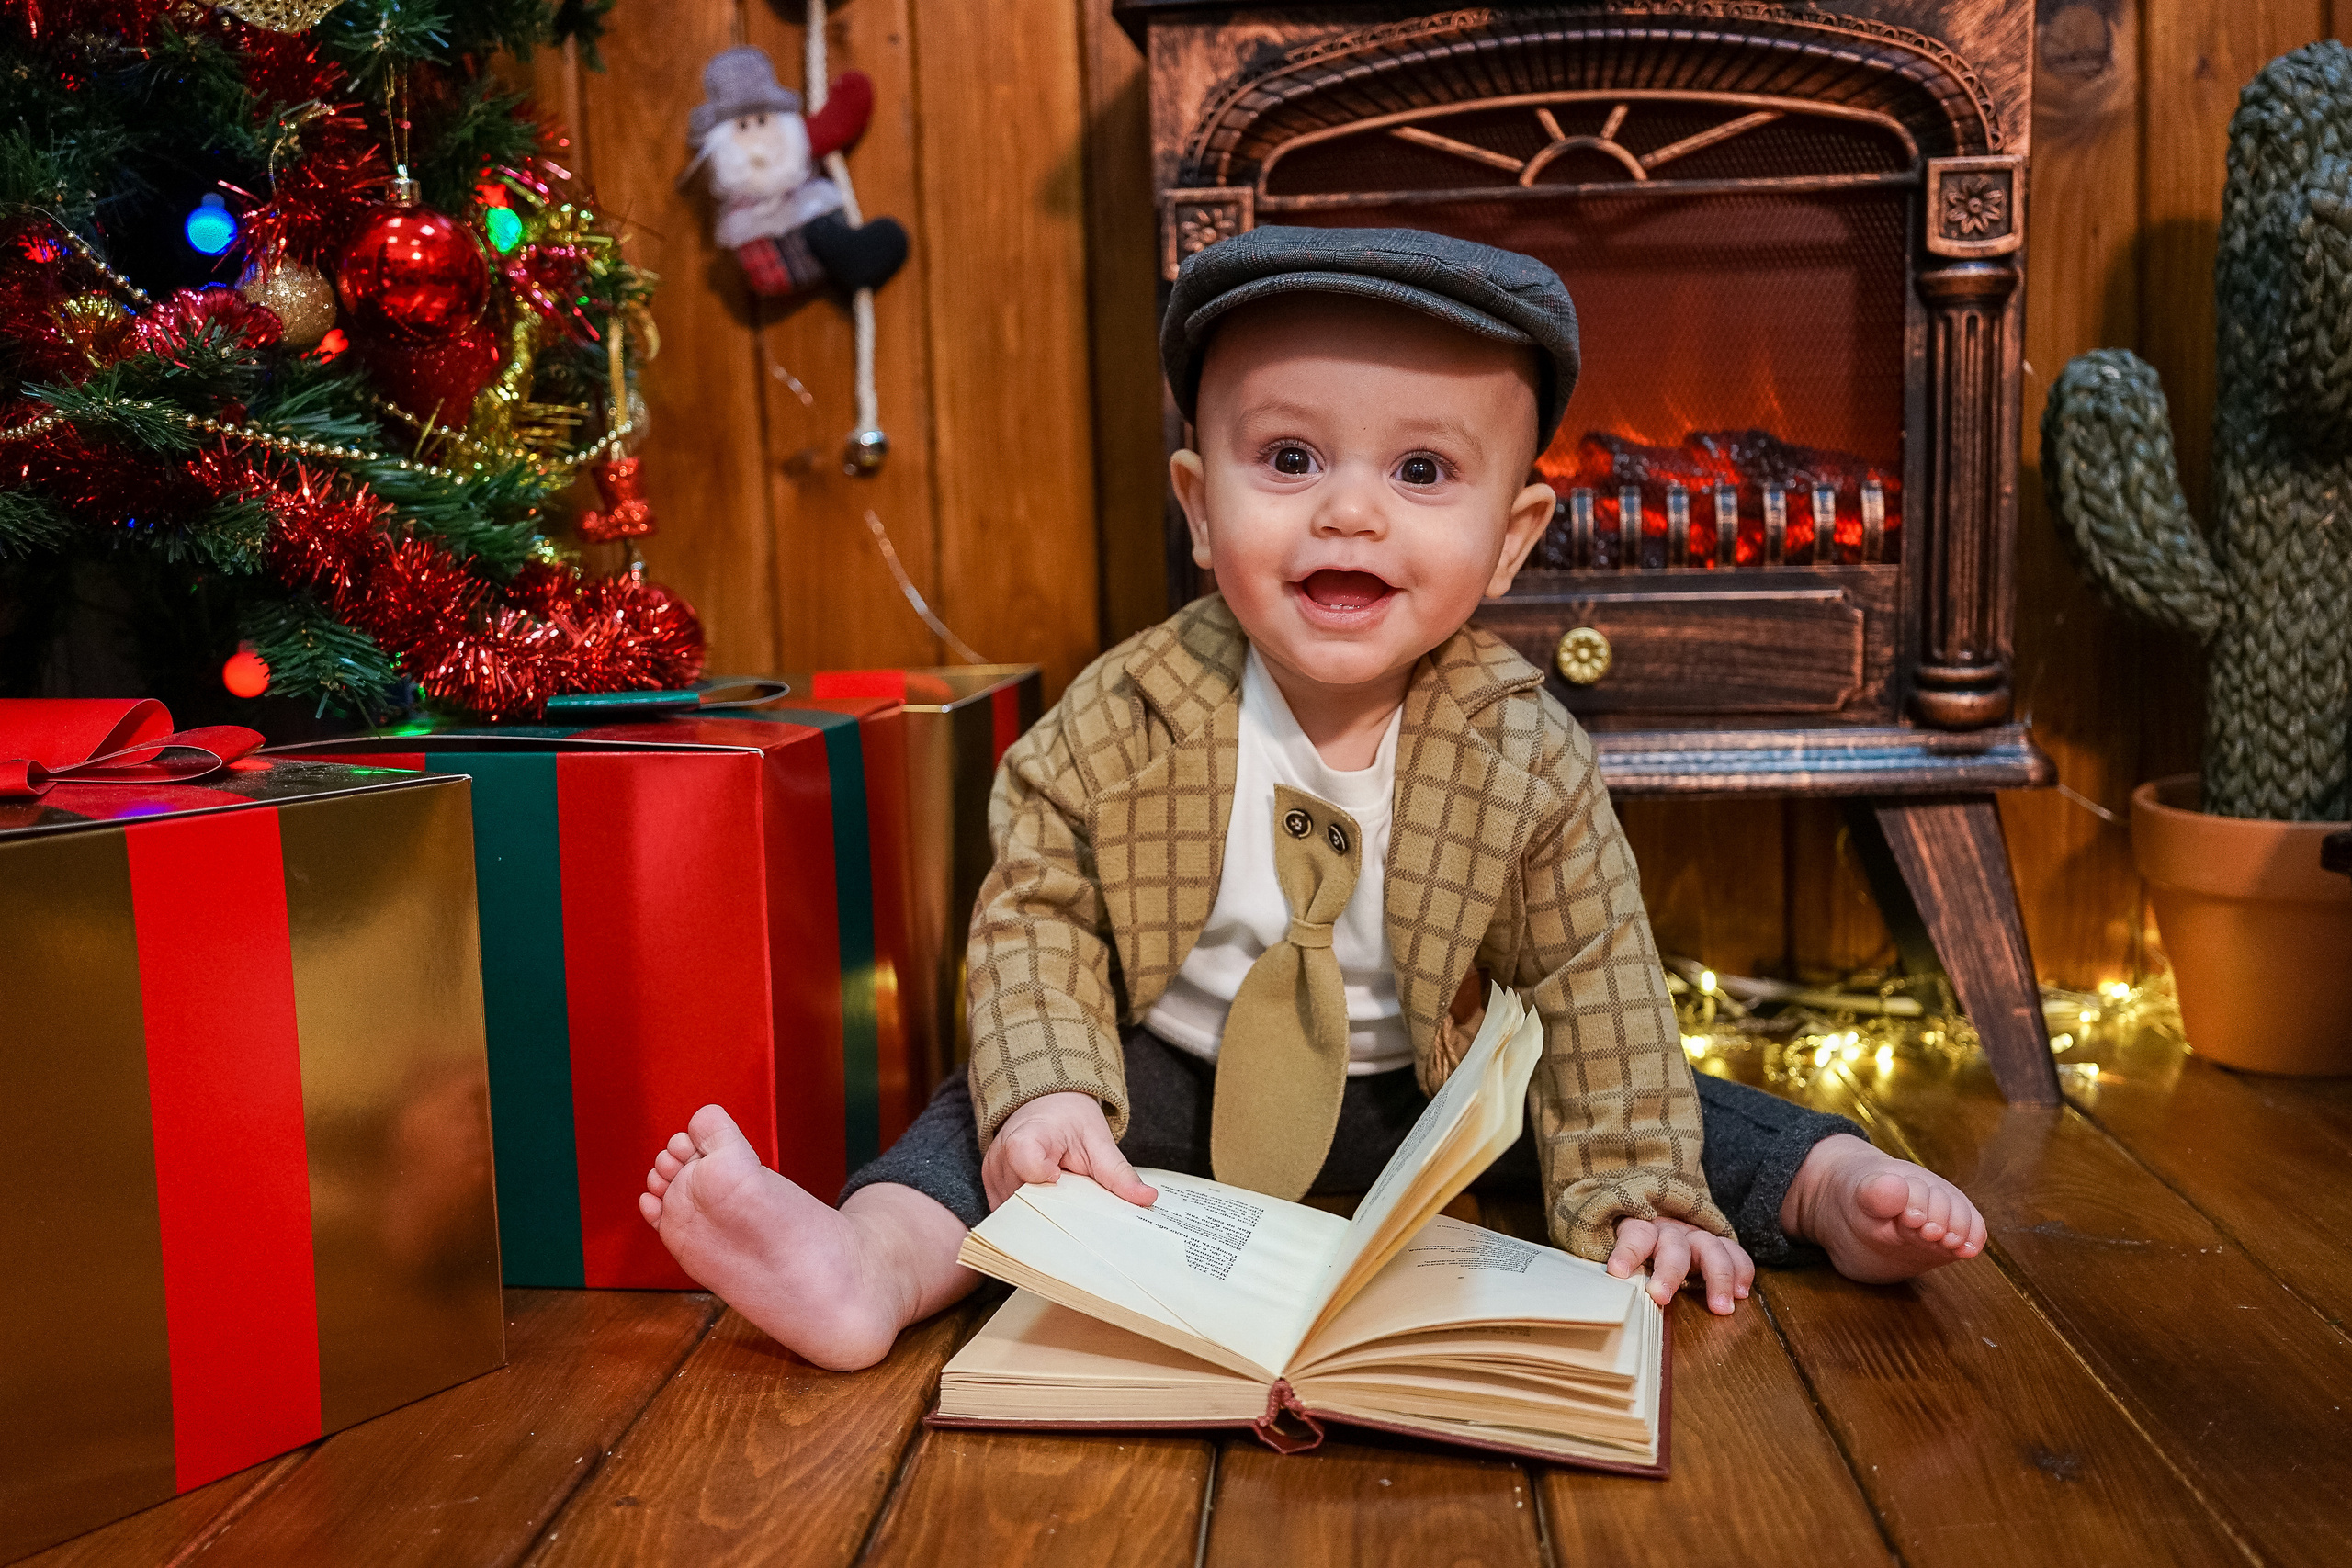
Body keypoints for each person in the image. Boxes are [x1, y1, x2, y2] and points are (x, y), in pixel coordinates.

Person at [639, 226, 1987, 1371]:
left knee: (1646, 1089)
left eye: (1420, 473)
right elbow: (1036, 921)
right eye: (1288, 461)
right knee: (981, 1117)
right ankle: (869, 1267)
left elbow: (1594, 975)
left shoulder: (1524, 753)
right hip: (1171, 1075)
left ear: (1510, 539)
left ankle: (1825, 1189)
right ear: (1199, 503)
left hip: (1429, 1084)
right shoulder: (1125, 718)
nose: (1348, 512)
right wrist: (1049, 1090)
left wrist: (1637, 1179)